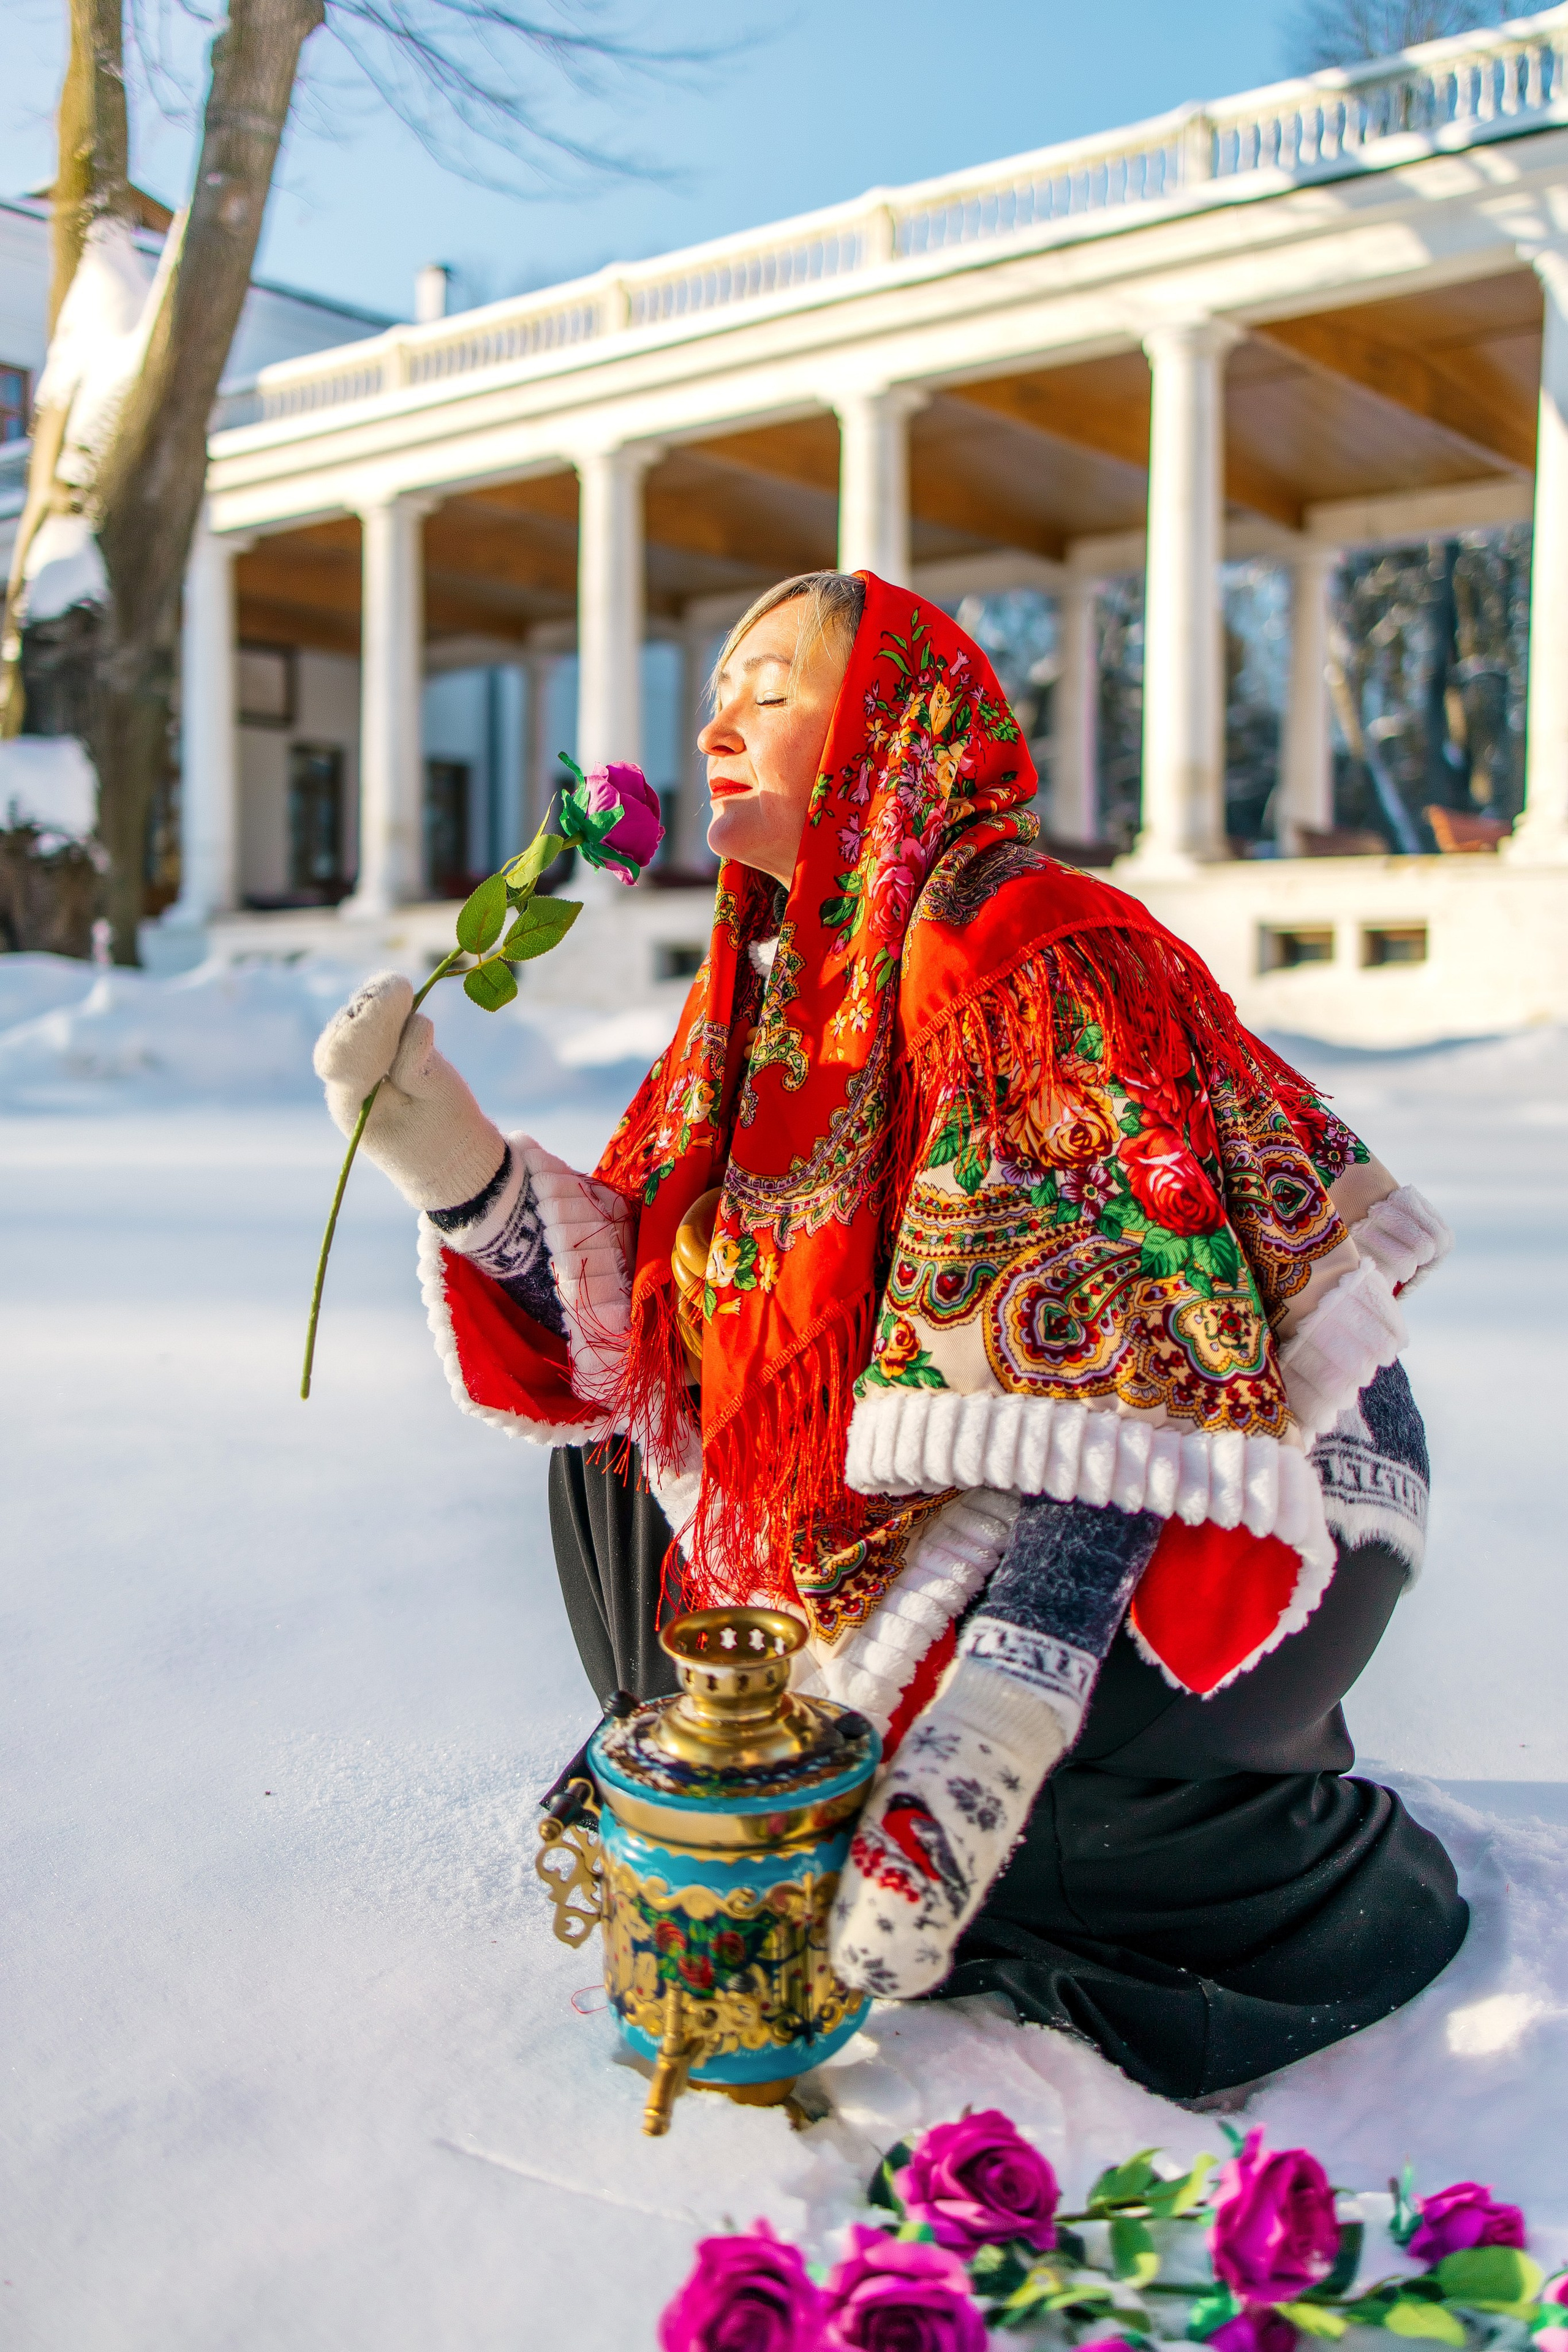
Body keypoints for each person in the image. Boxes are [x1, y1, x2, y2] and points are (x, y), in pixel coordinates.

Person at [314, 571, 1465, 2104]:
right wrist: (448, 1165)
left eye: (769, 690)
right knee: (608, 1454)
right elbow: (649, 1324)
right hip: (925, 1511)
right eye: (716, 692)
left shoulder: (1028, 942)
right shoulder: (757, 998)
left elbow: (1119, 1372)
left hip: (1229, 1496)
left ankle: (956, 1813)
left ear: (887, 728)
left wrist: (985, 1733)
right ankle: (771, 1797)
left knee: (1068, 1826)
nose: (714, 724)